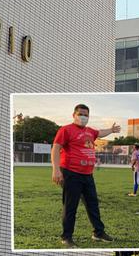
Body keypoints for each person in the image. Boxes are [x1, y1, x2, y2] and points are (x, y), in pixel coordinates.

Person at [51, 104, 121, 248]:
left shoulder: (90, 131)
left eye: (86, 115)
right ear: (74, 115)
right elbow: (56, 148)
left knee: (93, 204)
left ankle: (98, 233)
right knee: (71, 206)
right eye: (81, 114)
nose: (83, 117)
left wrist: (112, 130)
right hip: (71, 173)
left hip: (87, 175)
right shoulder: (66, 130)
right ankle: (67, 237)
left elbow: (100, 133)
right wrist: (56, 170)